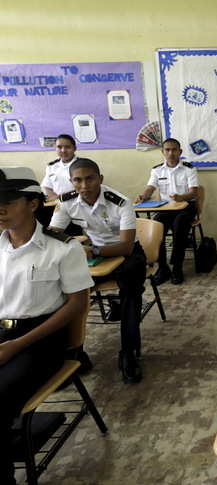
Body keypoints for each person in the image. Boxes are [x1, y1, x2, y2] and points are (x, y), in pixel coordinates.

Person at [0, 166, 93, 485]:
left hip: (42, 340)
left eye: (9, 200)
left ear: (33, 204)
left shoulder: (62, 247)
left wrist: (15, 346)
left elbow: (77, 306)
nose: (0, 208)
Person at [49, 158, 147, 384]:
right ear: (71, 181)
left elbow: (126, 245)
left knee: (130, 293)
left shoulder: (120, 202)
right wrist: (75, 245)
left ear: (100, 179)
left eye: (90, 178)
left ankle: (129, 354)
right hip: (92, 254)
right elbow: (53, 233)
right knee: (65, 292)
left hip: (127, 255)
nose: (84, 185)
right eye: (78, 180)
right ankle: (75, 353)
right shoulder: (67, 201)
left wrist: (93, 250)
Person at [135, 138, 199, 285]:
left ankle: (177, 267)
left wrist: (181, 197)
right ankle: (163, 268)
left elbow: (194, 193)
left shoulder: (189, 169)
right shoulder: (157, 170)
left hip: (186, 207)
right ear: (162, 152)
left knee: (179, 226)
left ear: (180, 152)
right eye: (167, 150)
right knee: (156, 228)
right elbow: (150, 188)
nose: (171, 153)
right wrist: (143, 196)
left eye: (174, 150)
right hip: (166, 208)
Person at [41, 134, 78, 201]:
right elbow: (46, 186)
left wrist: (63, 198)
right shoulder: (51, 167)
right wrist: (57, 199)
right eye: (59, 147)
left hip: (79, 203)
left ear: (74, 148)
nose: (63, 150)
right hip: (58, 204)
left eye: (67, 147)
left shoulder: (83, 165)